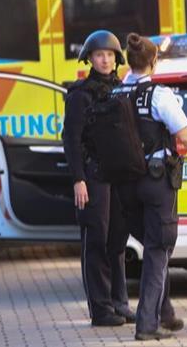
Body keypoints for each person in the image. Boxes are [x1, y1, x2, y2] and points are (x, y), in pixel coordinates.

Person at [109, 33, 187, 341]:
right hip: (155, 181)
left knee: (153, 247)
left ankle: (166, 313)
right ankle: (147, 325)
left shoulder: (115, 93)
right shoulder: (159, 95)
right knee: (159, 248)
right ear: (153, 62)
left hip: (124, 184)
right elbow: (185, 136)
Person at [62, 31, 136, 327]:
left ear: (117, 58)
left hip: (119, 177)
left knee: (118, 242)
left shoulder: (122, 89)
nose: (104, 60)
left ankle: (120, 302)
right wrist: (78, 179)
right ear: (90, 58)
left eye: (109, 55)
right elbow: (71, 140)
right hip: (93, 177)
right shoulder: (80, 95)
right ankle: (101, 309)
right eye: (99, 55)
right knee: (97, 240)